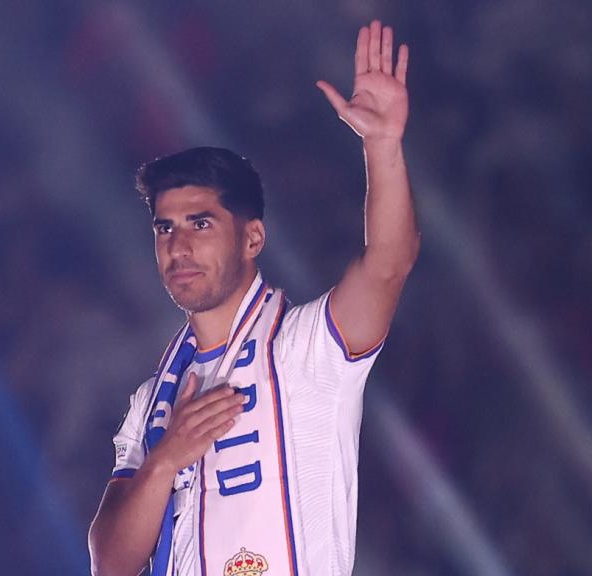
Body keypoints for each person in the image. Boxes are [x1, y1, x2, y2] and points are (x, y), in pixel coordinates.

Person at [89, 20, 418, 576]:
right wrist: (167, 457)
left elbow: (388, 265)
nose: (180, 246)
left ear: (253, 238)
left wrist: (382, 146)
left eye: (200, 223)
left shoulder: (305, 350)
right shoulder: (151, 402)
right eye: (165, 229)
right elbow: (111, 563)